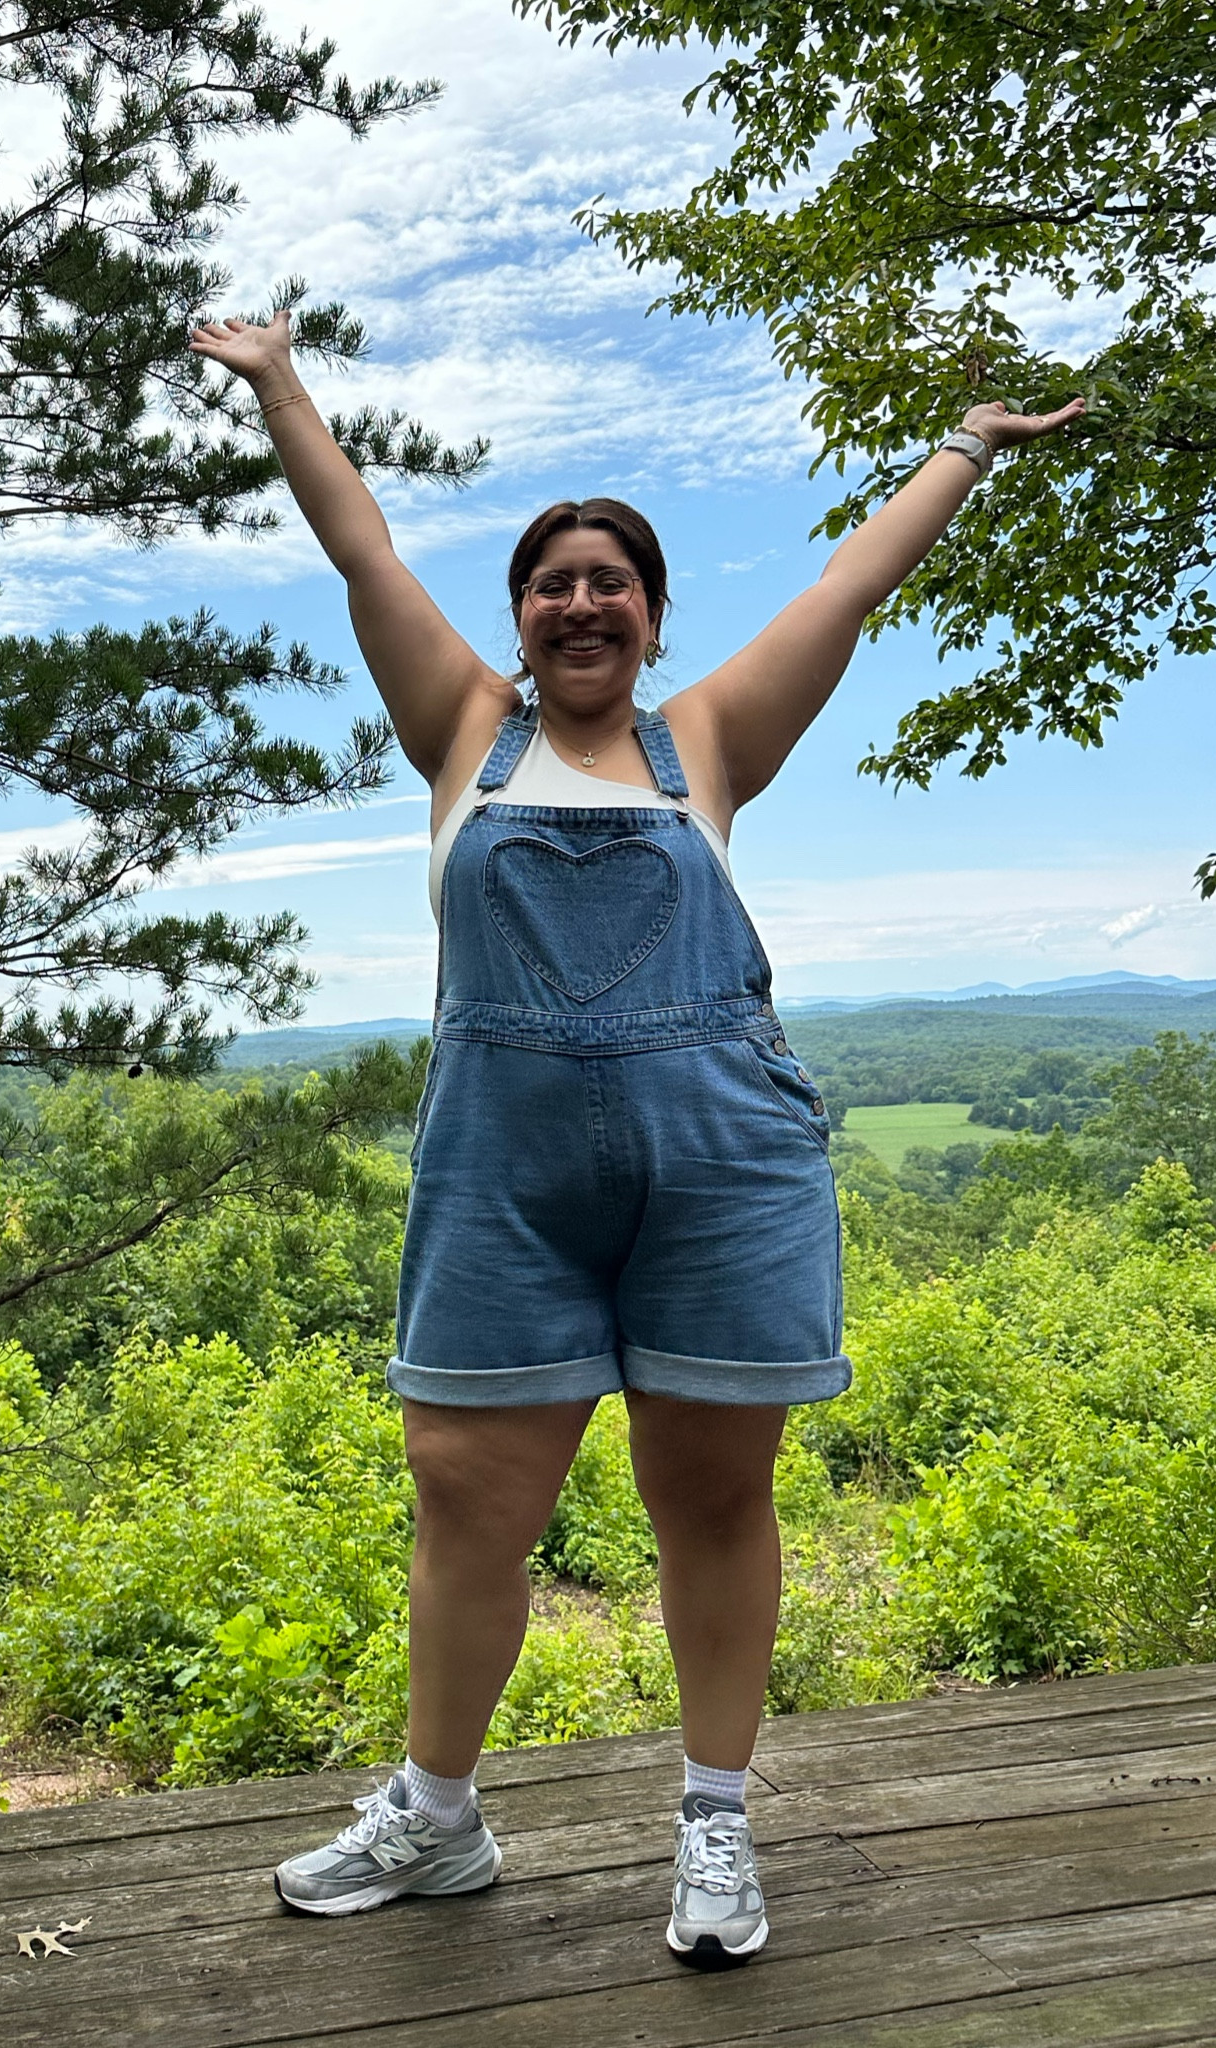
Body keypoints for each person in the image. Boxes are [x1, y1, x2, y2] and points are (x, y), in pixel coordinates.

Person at [189, 307, 1084, 1966]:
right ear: (521, 617)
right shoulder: (463, 731)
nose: (582, 601)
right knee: (466, 1494)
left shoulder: (712, 743)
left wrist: (966, 445)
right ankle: (438, 1821)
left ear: (653, 615)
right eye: (553, 583)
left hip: (723, 1172)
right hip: (501, 1177)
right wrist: (282, 385)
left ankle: (716, 1824)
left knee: (713, 1497)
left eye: (611, 581)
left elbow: (847, 590)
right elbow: (361, 547)